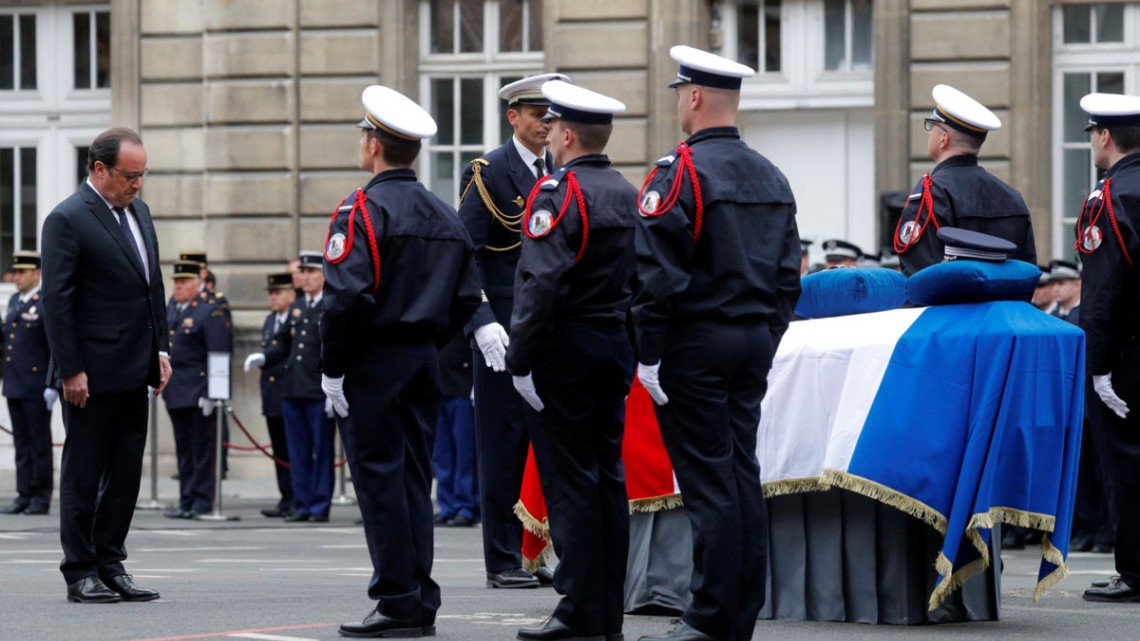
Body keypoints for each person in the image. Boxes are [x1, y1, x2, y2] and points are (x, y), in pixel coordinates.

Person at [633, 46, 801, 641]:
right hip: (753, 338)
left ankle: (708, 613)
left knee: (708, 482)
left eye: (681, 92)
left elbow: (657, 275)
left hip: (696, 342)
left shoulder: (679, 171)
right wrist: (765, 332)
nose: (680, 101)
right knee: (738, 473)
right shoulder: (770, 174)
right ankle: (737, 611)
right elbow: (788, 277)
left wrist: (649, 351)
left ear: (696, 96)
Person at [319, 84, 481, 637]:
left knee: (379, 480)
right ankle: (419, 596)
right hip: (422, 361)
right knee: (415, 478)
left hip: (373, 362)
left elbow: (345, 298)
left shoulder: (361, 209)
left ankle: (395, 598)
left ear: (373, 146)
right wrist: (427, 343)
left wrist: (334, 367)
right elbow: (466, 300)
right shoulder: (443, 212)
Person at [505, 80, 634, 641]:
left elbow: (542, 281)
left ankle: (579, 609)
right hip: (614, 346)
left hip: (565, 350)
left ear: (567, 133)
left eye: (553, 127)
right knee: (608, 479)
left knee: (571, 484)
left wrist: (520, 357)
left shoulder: (560, 192)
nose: (549, 135)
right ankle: (606, 612)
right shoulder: (630, 192)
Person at [41, 127, 169, 603]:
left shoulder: (139, 213)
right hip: (90, 375)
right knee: (84, 471)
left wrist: (162, 350)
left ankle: (111, 562)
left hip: (137, 368)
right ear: (99, 169)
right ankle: (80, 570)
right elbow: (58, 302)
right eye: (130, 176)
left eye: (142, 176)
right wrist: (70, 368)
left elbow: (151, 287)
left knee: (125, 474)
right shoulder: (68, 219)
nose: (137, 185)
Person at [458, 72, 568, 589]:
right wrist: (480, 321)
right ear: (513, 117)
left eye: (551, 116)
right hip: (502, 330)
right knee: (503, 443)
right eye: (536, 115)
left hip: (549, 327)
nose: (546, 124)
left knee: (549, 443)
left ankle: (540, 552)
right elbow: (465, 255)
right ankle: (501, 557)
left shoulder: (560, 171)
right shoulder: (490, 172)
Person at [1075, 92, 1140, 603]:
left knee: (1125, 464)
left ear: (1104, 136)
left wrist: (1097, 368)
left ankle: (1136, 571)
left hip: (1127, 356)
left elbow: (1102, 290)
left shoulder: (1110, 196)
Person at [894, 84, 1036, 275]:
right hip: (1007, 304)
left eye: (932, 126)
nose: (929, 132)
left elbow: (920, 274)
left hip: (951, 304)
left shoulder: (933, 191)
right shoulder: (1012, 196)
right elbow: (1026, 271)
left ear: (944, 138)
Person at [244, 251, 334, 523]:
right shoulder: (298, 307)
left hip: (318, 391)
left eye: (311, 273)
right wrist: (264, 356)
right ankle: (302, 502)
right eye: (303, 273)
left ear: (323, 275)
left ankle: (319, 505)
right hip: (293, 389)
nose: (305, 278)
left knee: (321, 452)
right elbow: (283, 343)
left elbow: (335, 347)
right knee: (298, 451)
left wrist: (335, 384)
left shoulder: (330, 305)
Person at [161, 260, 231, 519]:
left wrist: (214, 393)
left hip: (200, 391)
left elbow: (218, 355)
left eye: (184, 282)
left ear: (198, 283)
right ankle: (186, 499)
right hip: (176, 391)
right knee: (185, 450)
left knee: (203, 450)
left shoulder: (209, 312)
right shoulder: (171, 311)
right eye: (176, 282)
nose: (178, 286)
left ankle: (202, 500)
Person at [0, 251, 56, 516]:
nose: (17, 277)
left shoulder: (44, 301)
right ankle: (23, 493)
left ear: (37, 273)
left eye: (23, 272)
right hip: (14, 382)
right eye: (17, 272)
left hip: (36, 384)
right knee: (21, 443)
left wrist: (52, 384)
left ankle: (39, 496)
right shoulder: (14, 301)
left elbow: (53, 345)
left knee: (38, 444)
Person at [258, 271, 296, 518]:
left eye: (278, 293)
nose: (273, 297)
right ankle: (285, 496)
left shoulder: (295, 319)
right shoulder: (271, 320)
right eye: (271, 293)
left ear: (292, 294)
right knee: (279, 450)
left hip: (290, 390)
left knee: (294, 450)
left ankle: (297, 497)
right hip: (272, 394)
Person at [432, 328, 478, 527]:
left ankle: (465, 505)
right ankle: (447, 505)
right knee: (442, 454)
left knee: (464, 453)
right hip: (439, 385)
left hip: (462, 384)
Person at [1049, 259, 1082, 323]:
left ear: (1078, 284)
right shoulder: (1052, 316)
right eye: (1053, 284)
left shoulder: (1086, 314)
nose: (1055, 289)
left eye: (1061, 283)